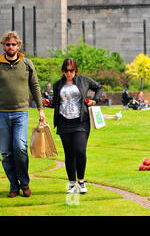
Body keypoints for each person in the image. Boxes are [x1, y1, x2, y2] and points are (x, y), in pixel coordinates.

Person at [0, 31, 45, 198]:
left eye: (13, 44)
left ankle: (24, 183)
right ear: (3, 46)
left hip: (21, 113)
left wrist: (40, 109)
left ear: (18, 46)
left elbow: (35, 87)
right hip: (1, 114)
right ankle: (13, 186)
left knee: (20, 147)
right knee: (5, 153)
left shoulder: (26, 63)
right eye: (7, 44)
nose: (10, 47)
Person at [50, 58, 103, 194]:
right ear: (63, 71)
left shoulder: (84, 81)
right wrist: (47, 103)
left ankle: (81, 181)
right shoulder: (58, 85)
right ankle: (72, 184)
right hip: (64, 122)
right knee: (69, 154)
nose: (69, 73)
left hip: (81, 122)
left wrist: (94, 100)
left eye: (71, 70)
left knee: (80, 150)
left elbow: (99, 87)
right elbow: (55, 102)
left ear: (75, 70)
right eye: (66, 70)